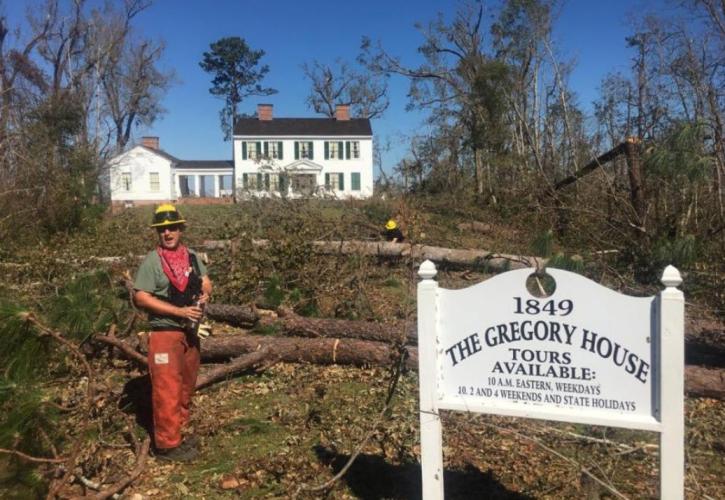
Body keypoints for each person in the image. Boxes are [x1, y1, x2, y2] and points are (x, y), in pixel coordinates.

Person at [133, 204, 212, 462]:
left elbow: (205, 279)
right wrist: (179, 313)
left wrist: (206, 291)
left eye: (172, 228)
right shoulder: (152, 261)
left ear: (181, 229)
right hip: (165, 332)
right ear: (158, 233)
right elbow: (141, 298)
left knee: (186, 384)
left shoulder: (191, 257)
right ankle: (167, 446)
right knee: (167, 388)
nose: (167, 233)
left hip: (190, 331)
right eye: (162, 229)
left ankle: (180, 431)